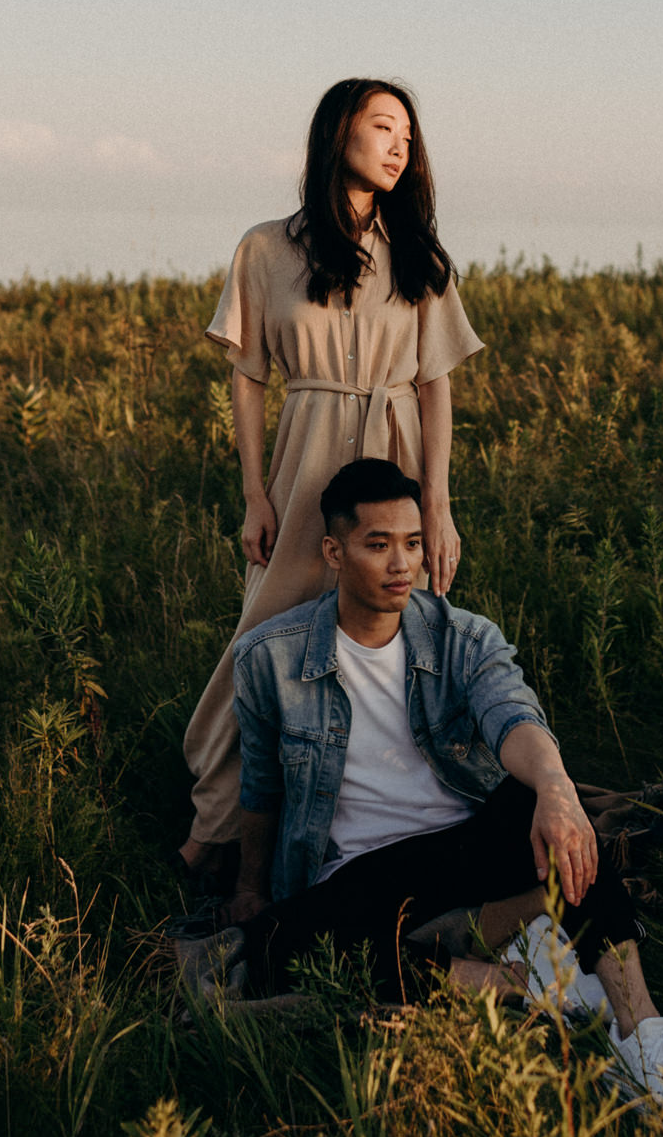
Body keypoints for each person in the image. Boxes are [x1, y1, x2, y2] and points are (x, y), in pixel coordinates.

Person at [228, 458, 663, 1108]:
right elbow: (261, 788)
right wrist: (249, 887)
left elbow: (514, 719)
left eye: (413, 543)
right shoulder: (269, 660)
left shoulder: (463, 639)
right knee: (272, 945)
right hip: (360, 872)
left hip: (464, 839)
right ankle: (510, 979)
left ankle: (642, 1035)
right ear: (334, 552)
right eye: (379, 544)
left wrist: (558, 788)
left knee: (544, 807)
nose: (401, 564)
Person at [180, 79, 483, 885]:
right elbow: (247, 375)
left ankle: (402, 820)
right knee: (261, 639)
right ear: (336, 133)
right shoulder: (266, 249)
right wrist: (255, 494)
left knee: (407, 639)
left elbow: (435, 384)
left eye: (408, 137)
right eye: (383, 127)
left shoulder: (417, 252)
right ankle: (214, 828)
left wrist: (439, 508)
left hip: (396, 464)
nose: (398, 146)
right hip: (305, 458)